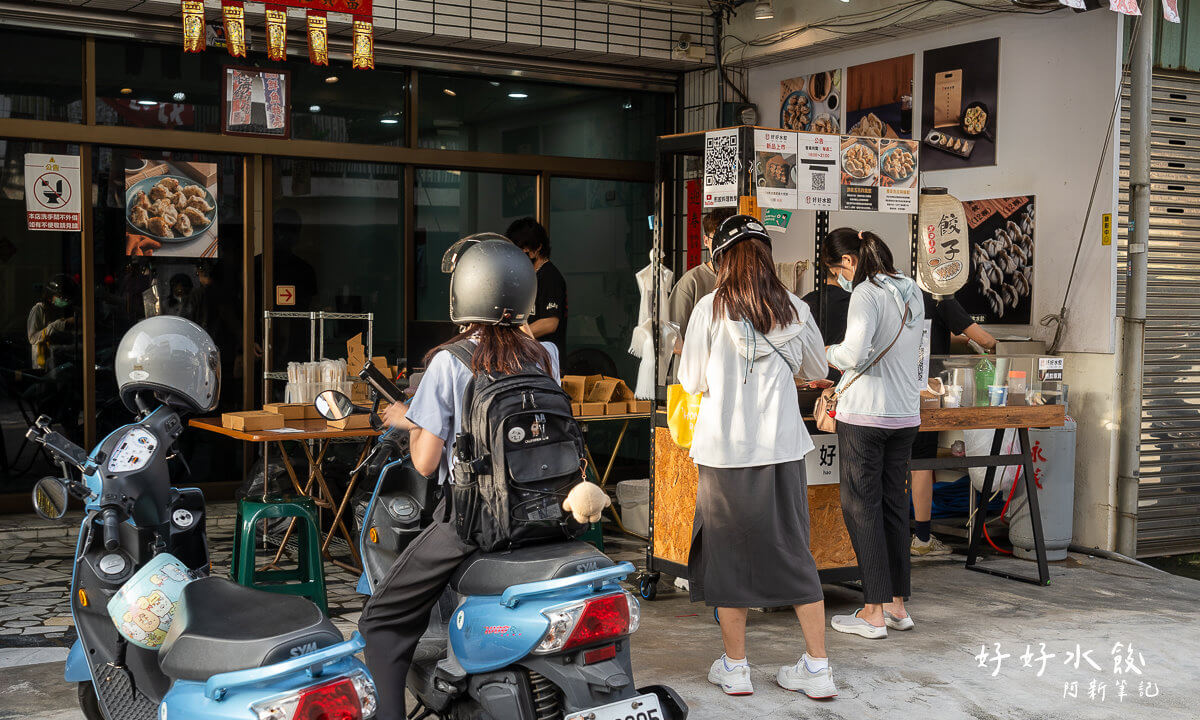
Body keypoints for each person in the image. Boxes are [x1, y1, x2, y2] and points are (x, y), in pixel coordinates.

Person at [358, 233, 562, 720]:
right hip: (548, 515)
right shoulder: (546, 356)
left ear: (463, 294)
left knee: (381, 623)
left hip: (474, 523)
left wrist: (413, 422)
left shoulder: (450, 360)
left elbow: (427, 463)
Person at [678, 215, 836, 699]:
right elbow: (816, 368)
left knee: (728, 558)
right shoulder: (795, 308)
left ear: (722, 259)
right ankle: (817, 668)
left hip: (725, 453)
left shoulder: (709, 309)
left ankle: (737, 668)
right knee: (793, 551)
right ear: (768, 256)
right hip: (783, 449)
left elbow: (691, 381)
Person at [822, 228, 924, 640]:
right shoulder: (911, 288)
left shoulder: (865, 292)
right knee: (894, 507)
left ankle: (872, 611)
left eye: (835, 270)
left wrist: (824, 352)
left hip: (865, 415)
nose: (839, 278)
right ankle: (897, 606)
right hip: (905, 414)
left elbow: (853, 352)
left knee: (861, 507)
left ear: (848, 262)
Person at [910, 292, 998, 556]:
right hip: (926, 394)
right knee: (921, 463)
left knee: (894, 463)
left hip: (890, 393)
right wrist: (971, 338)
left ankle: (887, 535)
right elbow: (987, 341)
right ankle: (922, 540)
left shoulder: (896, 294)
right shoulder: (941, 299)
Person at [668, 207, 735, 340]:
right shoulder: (691, 282)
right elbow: (671, 338)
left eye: (729, 238)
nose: (724, 244)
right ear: (705, 241)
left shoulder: (746, 279)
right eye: (717, 238)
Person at [505, 217, 568, 354]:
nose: (519, 253)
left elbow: (550, 323)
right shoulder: (527, 276)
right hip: (528, 358)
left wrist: (512, 338)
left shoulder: (549, 276)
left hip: (545, 361)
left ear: (538, 247)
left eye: (523, 248)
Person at [801, 264, 852, 383]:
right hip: (841, 376)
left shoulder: (805, 303)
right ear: (836, 271)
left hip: (810, 375)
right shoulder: (852, 302)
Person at [26, 275, 76, 370]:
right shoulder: (38, 309)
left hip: (56, 363)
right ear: (50, 295)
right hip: (42, 365)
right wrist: (57, 325)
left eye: (66, 298)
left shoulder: (57, 310)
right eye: (60, 297)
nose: (64, 300)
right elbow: (32, 338)